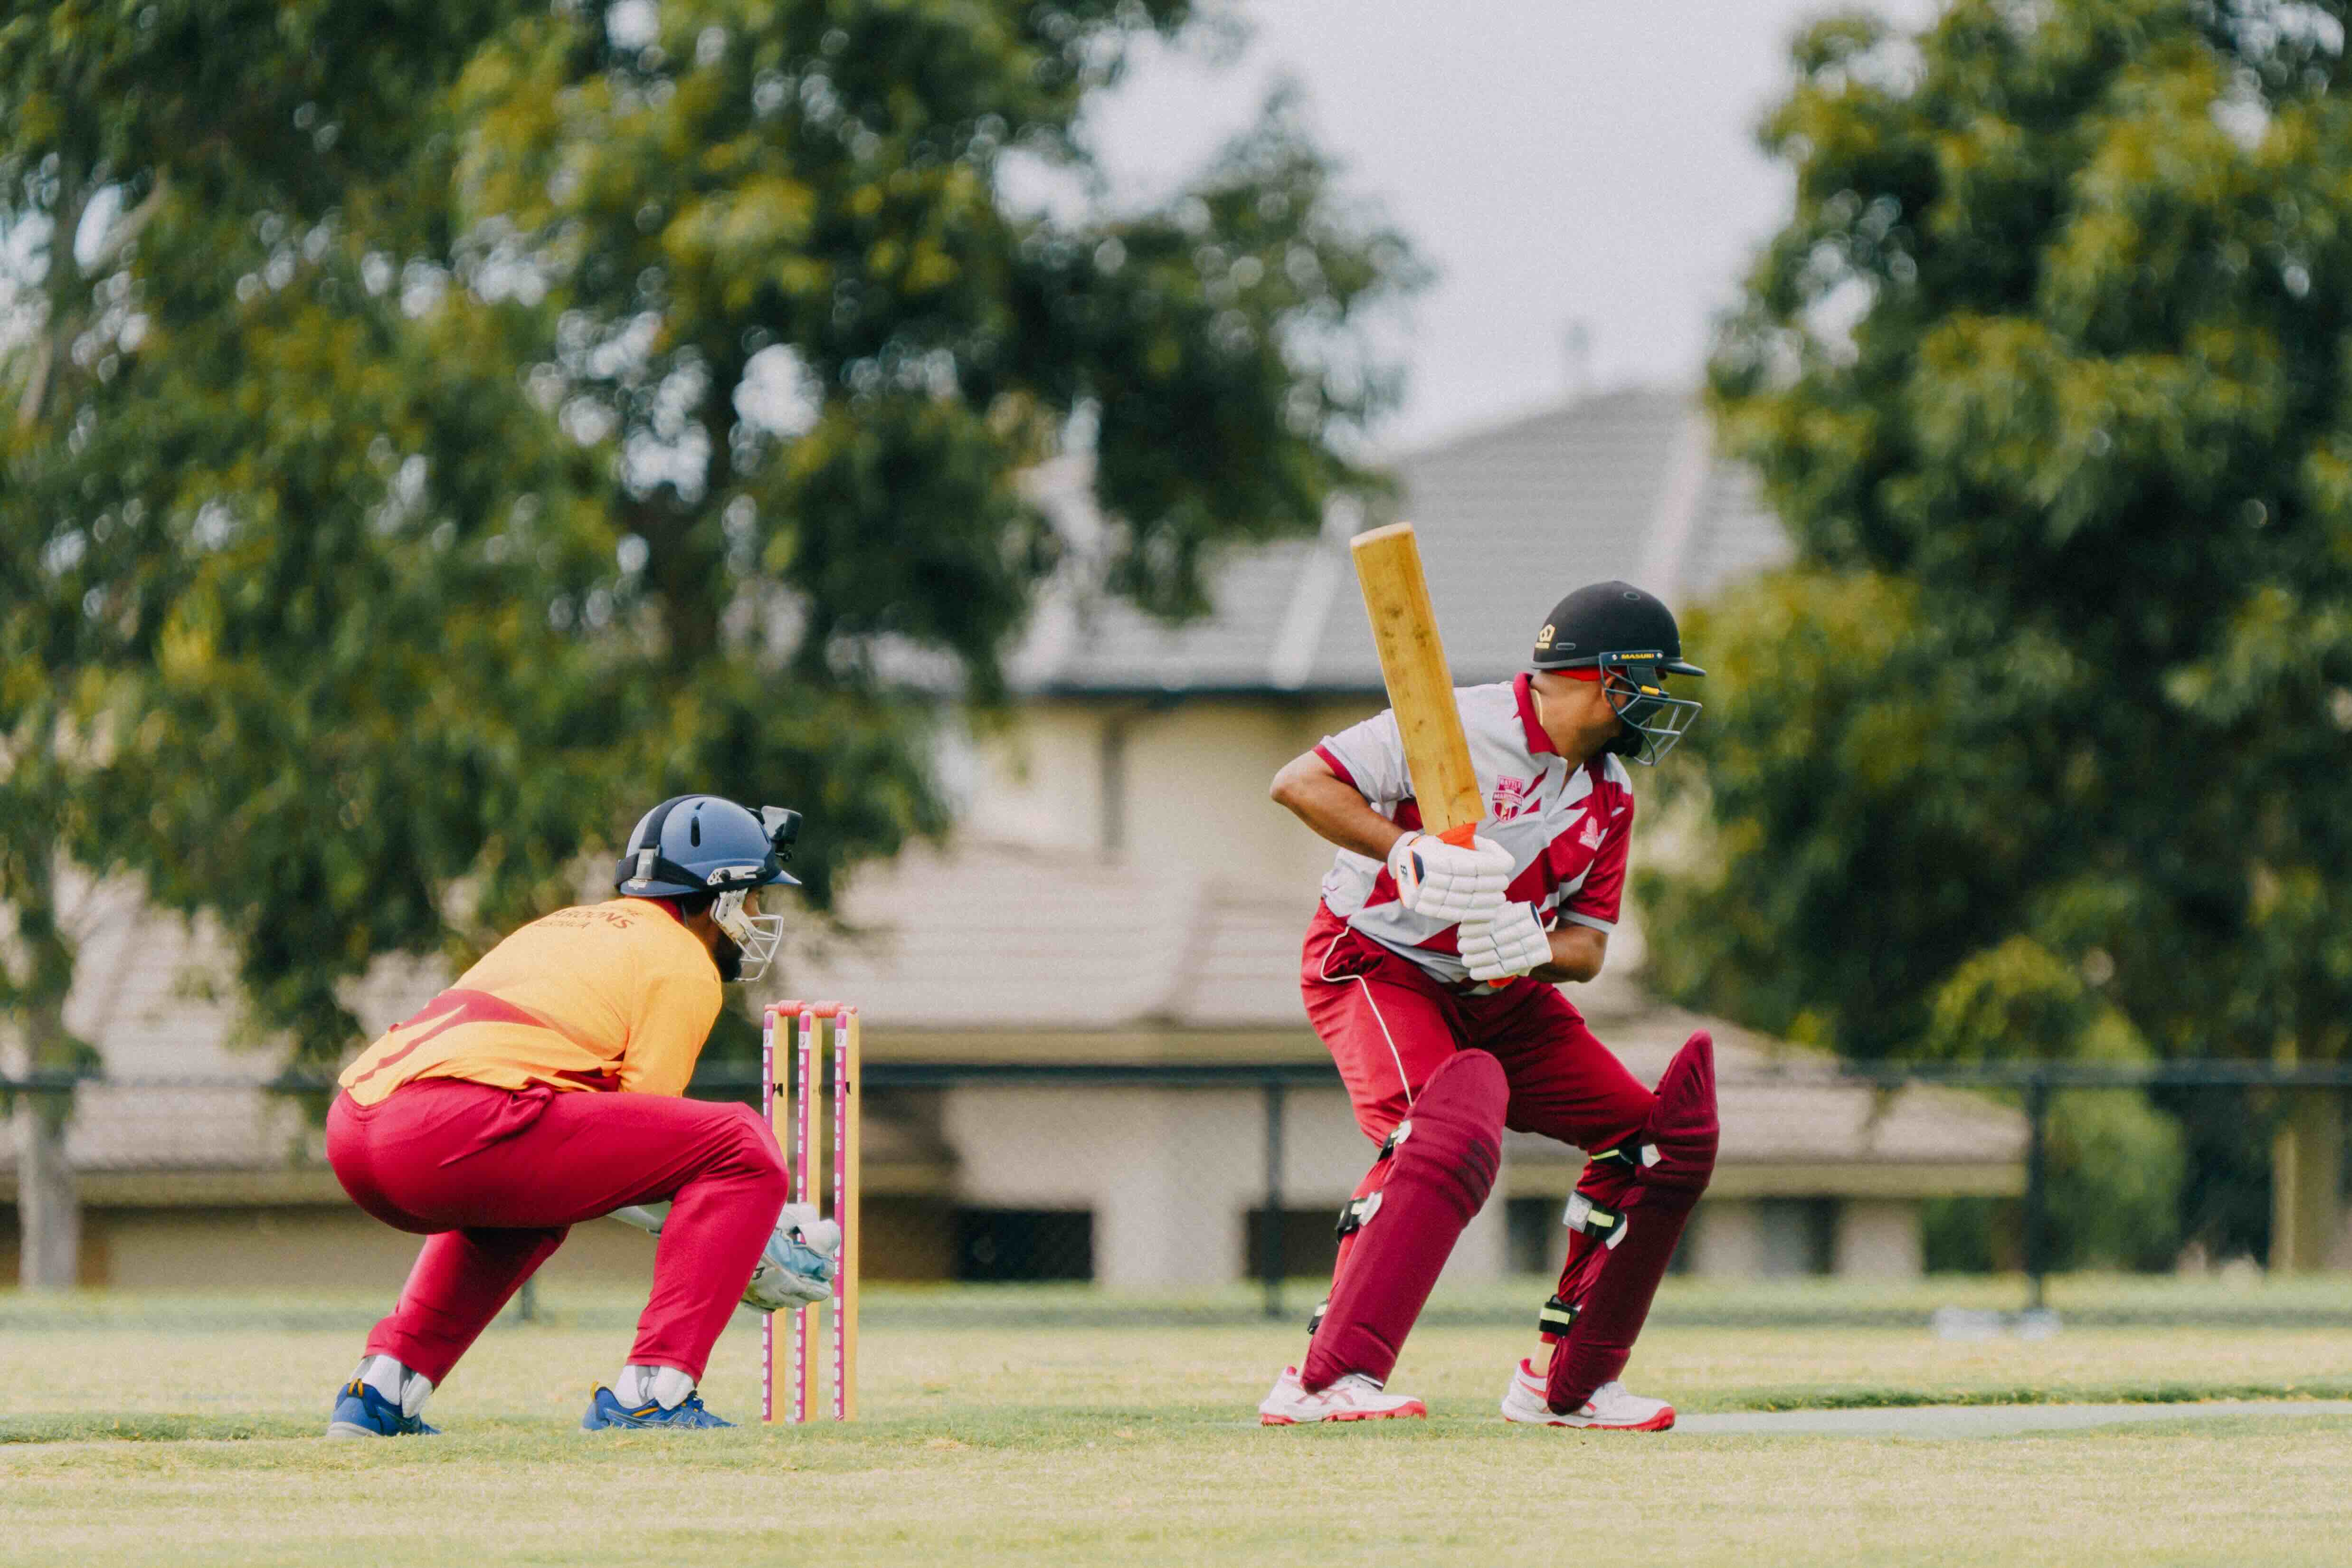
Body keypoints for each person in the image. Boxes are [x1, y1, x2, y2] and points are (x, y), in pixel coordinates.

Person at [1254, 581, 1717, 1431]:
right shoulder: (1454, 725)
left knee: (1647, 1140)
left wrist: (1532, 947)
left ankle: (1566, 1384)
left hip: (1499, 992)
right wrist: (1407, 850)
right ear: (1600, 676)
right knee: (1445, 1128)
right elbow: (1300, 782)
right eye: (1647, 683)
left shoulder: (1609, 794)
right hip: (1375, 959)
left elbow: (1588, 945)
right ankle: (1326, 1376)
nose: (1654, 706)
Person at [322, 794, 838, 1435]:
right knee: (742, 1144)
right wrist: (754, 1237)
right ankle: (655, 1394)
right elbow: (660, 1158)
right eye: (756, 895)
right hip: (446, 1125)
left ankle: (383, 1392)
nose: (759, 915)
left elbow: (603, 1153)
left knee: (539, 1204)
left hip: (357, 1122)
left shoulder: (571, 923)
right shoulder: (682, 959)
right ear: (721, 895)